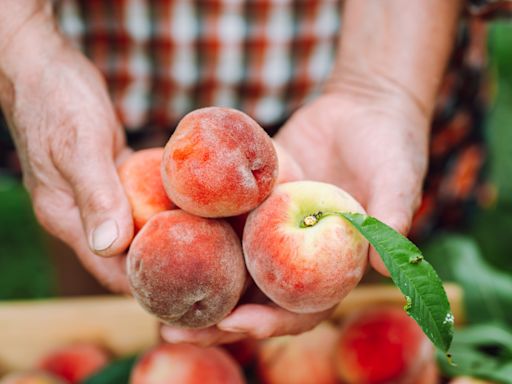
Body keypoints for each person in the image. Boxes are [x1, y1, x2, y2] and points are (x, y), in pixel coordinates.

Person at [0, 0, 505, 345]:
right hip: (113, 62)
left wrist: (383, 83)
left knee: (367, 318)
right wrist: (22, 47)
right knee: (99, 235)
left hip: (363, 50)